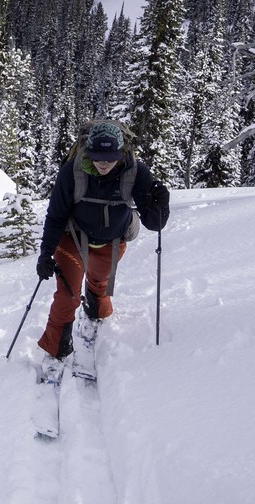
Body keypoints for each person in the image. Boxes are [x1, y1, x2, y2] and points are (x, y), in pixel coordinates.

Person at [34, 120, 170, 361]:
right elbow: (56, 216)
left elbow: (153, 223)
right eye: (97, 156)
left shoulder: (135, 172)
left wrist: (162, 205)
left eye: (111, 157)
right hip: (72, 241)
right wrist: (45, 253)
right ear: (88, 152)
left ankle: (96, 303)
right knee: (68, 294)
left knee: (99, 284)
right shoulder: (72, 172)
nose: (104, 163)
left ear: (121, 153)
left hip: (112, 242)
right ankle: (57, 347)